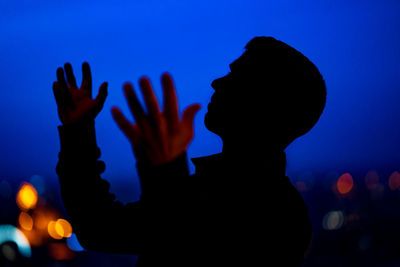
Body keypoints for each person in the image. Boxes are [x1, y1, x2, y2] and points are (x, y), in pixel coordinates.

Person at [53, 36, 326, 266]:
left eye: (236, 75)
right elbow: (101, 229)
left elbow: (182, 244)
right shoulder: (214, 190)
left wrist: (166, 173)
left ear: (266, 102)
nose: (217, 82)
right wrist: (78, 131)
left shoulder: (278, 216)